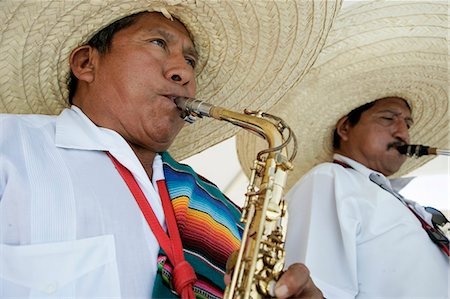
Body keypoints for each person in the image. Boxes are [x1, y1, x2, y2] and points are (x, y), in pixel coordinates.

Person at [0, 1, 341, 298]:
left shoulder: (219, 210)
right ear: (87, 63)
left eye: (190, 60)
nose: (184, 72)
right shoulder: (10, 146)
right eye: (158, 42)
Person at [236, 1, 449, 298]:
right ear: (345, 128)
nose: (403, 132)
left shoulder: (391, 197)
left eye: (408, 123)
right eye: (388, 118)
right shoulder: (330, 181)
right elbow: (319, 288)